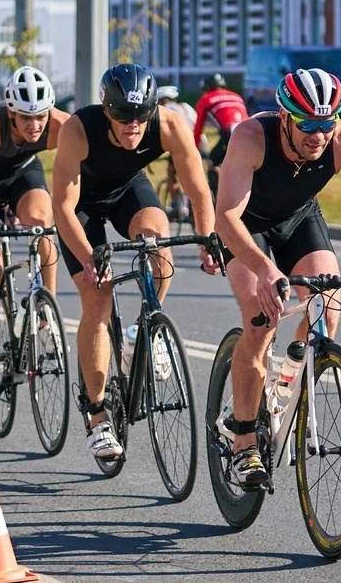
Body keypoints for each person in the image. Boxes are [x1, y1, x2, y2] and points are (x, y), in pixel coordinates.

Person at [214, 68, 341, 488]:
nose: (318, 135)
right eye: (308, 124)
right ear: (285, 116)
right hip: (247, 228)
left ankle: (289, 371)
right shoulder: (251, 137)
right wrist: (267, 270)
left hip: (298, 218)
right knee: (261, 317)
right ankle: (244, 443)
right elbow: (226, 218)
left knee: (328, 302)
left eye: (327, 123)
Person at [51, 62, 220, 461]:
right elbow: (62, 207)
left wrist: (208, 239)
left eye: (141, 115)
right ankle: (97, 416)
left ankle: (140, 332)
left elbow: (199, 193)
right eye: (123, 116)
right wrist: (89, 256)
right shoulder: (78, 129)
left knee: (158, 248)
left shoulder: (169, 125)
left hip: (128, 190)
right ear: (106, 110)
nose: (133, 125)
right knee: (98, 298)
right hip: (82, 206)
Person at [0, 66, 68, 404]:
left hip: (24, 174)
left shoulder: (61, 126)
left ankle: (45, 306)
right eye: (25, 118)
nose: (34, 125)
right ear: (10, 113)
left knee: (43, 222)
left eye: (40, 117)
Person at [193, 73, 248, 195]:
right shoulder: (237, 96)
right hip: (248, 133)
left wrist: (194, 148)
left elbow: (198, 128)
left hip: (230, 134)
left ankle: (217, 197)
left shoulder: (206, 99)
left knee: (212, 162)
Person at [153, 85, 203, 222]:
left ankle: (180, 207)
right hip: (200, 143)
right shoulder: (186, 106)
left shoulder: (165, 110)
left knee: (172, 174)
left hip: (183, 145)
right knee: (192, 176)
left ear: (162, 100)